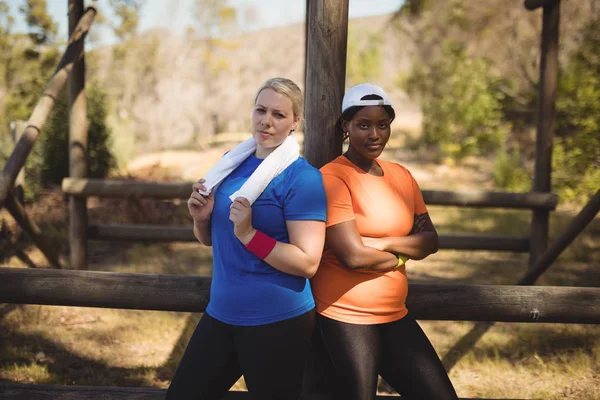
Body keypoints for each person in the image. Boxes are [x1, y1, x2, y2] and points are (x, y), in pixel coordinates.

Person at [166, 77, 327, 400]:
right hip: (221, 313)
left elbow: (308, 262)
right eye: (261, 110)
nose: (266, 121)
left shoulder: (303, 178)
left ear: (295, 122)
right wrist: (201, 219)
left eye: (279, 115)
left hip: (277, 320)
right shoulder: (230, 163)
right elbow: (213, 240)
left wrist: (250, 234)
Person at [309, 83, 458, 400]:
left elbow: (430, 240)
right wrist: (404, 253)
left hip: (394, 313)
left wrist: (380, 242)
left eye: (382, 124)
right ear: (345, 127)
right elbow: (352, 256)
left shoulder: (401, 175)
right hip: (345, 316)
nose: (374, 134)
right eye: (363, 125)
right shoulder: (333, 177)